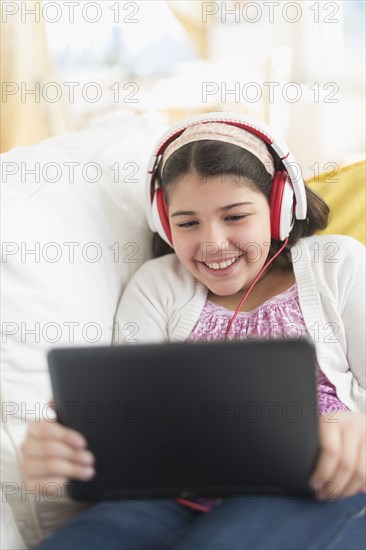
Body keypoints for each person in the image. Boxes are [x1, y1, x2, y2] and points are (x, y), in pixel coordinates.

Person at [21, 112, 365, 549]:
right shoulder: (156, 284)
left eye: (236, 216)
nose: (213, 243)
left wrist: (358, 430)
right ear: (165, 225)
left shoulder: (337, 264)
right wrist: (63, 461)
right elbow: (124, 432)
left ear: (279, 209)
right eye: (187, 223)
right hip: (167, 496)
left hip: (312, 488)